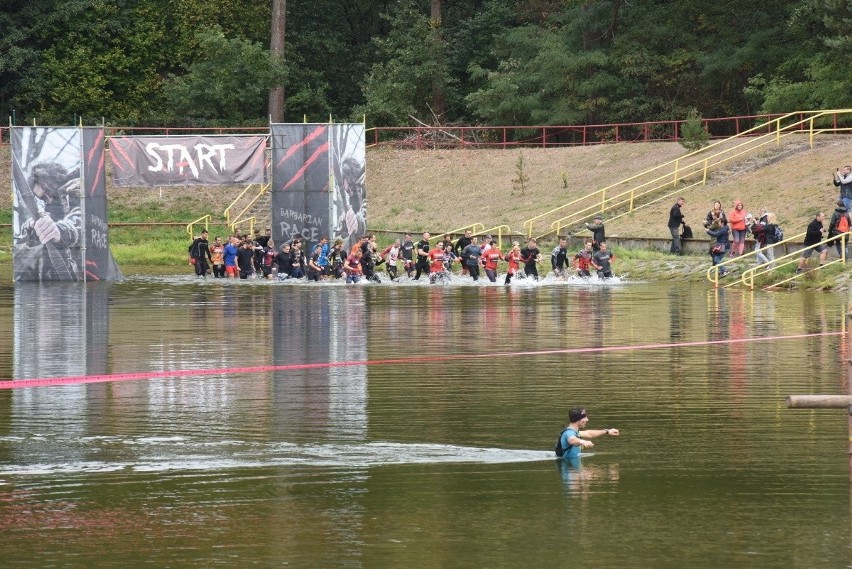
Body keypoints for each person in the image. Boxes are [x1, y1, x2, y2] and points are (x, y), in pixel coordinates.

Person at [555, 407, 620, 460]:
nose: (587, 420)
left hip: (575, 470)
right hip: (570, 470)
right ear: (578, 420)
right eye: (584, 417)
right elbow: (572, 440)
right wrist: (582, 441)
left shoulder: (575, 432)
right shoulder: (569, 433)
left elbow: (589, 433)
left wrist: (607, 431)